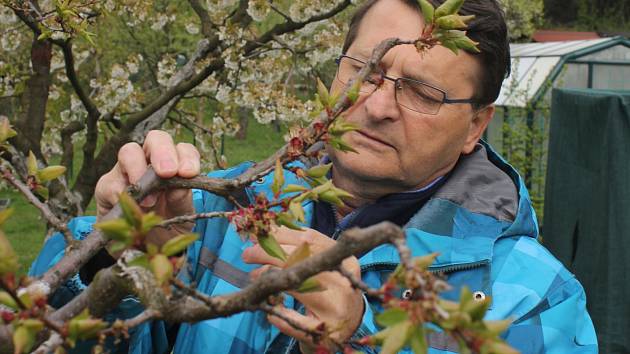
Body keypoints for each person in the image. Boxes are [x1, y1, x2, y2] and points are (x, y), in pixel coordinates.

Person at [29, 0, 598, 353]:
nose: (376, 106)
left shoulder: (533, 298)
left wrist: (360, 341)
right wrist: (116, 263)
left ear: (476, 126)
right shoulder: (210, 213)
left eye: (423, 92)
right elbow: (33, 332)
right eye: (365, 71)